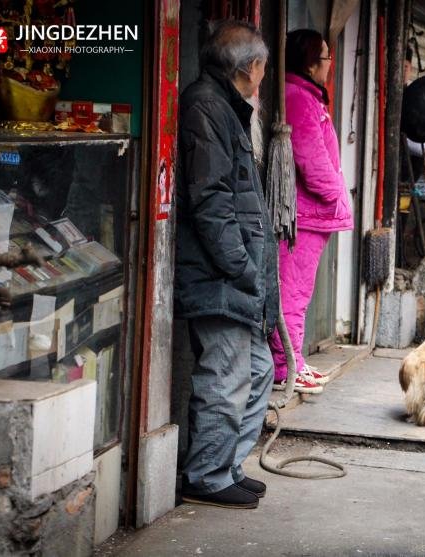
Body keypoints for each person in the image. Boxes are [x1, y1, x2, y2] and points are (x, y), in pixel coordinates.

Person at [174, 21, 278, 509]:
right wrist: (240, 266)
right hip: (218, 274)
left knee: (258, 370)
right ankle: (207, 476)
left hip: (234, 275)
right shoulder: (205, 105)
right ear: (251, 67)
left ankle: (226, 465)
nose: (264, 74)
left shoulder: (224, 105)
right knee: (227, 375)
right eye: (263, 65)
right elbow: (211, 200)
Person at [267, 29, 354, 393]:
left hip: (309, 214)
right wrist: (335, 194)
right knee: (292, 294)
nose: (330, 66)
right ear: (311, 63)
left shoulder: (303, 96)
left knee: (297, 293)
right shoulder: (299, 98)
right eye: (326, 58)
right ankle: (285, 366)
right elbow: (312, 160)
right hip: (305, 214)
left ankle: (294, 361)